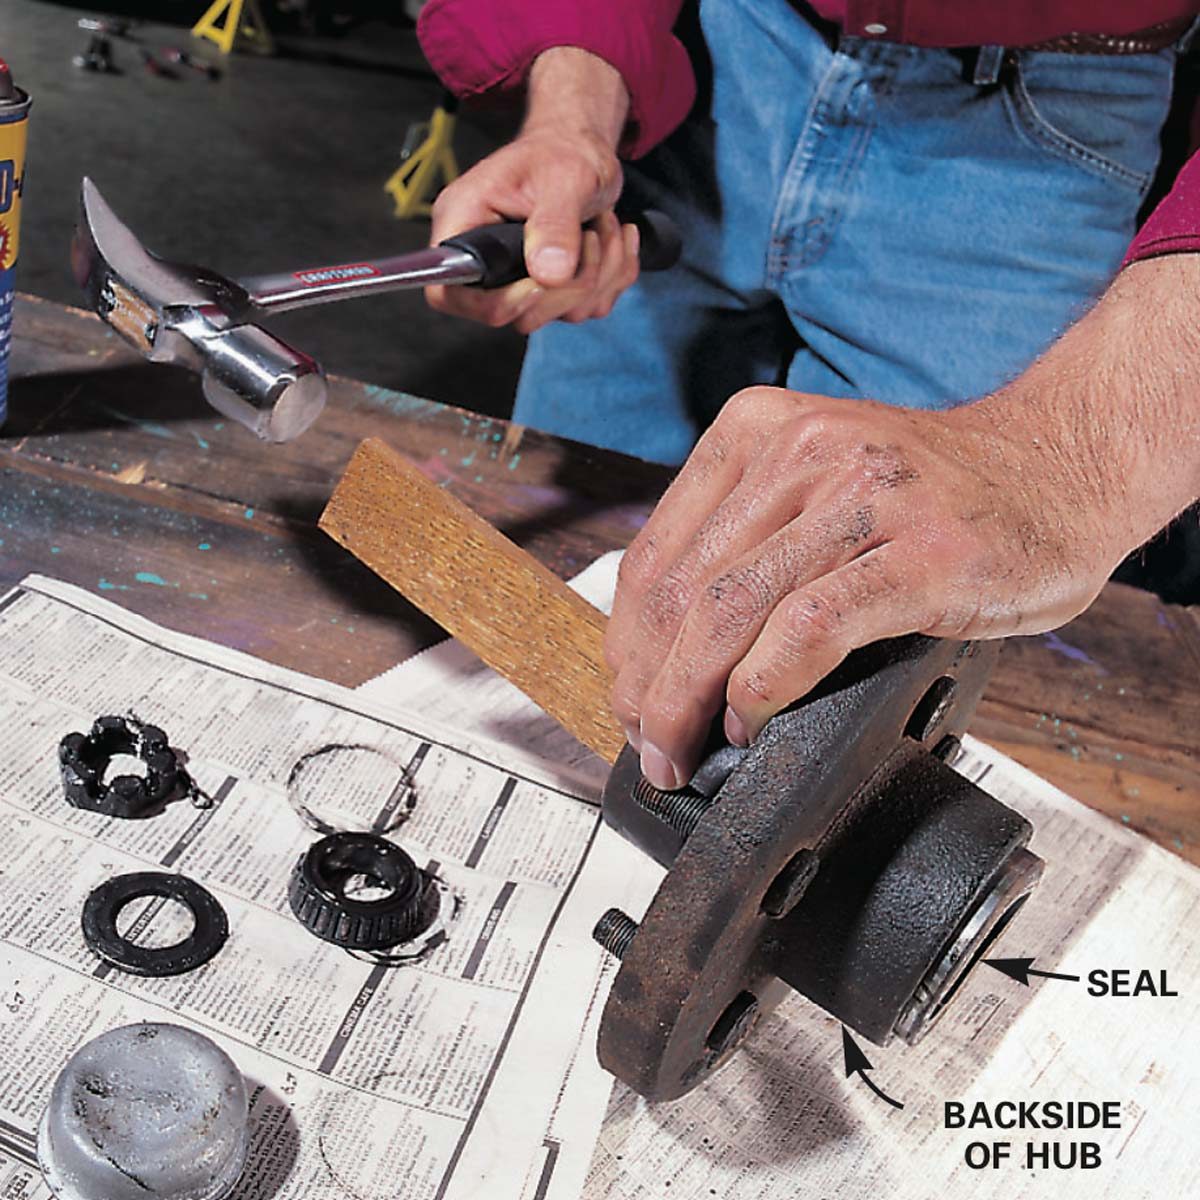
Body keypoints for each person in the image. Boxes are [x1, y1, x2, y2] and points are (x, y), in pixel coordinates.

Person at [416, 0, 1200, 792]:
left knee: (869, 676)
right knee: (569, 598)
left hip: (1045, 120)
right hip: (728, 45)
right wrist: (574, 81)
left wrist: (1077, 457)